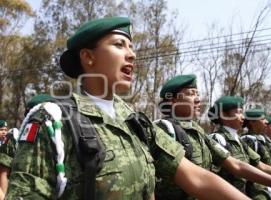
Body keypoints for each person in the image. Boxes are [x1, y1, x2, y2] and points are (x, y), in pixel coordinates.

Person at [5, 17, 251, 200]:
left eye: (132, 47)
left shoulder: (136, 123)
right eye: (120, 44)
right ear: (88, 57)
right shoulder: (54, 120)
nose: (132, 55)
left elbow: (194, 176)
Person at [155, 75, 271, 200]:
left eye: (197, 94)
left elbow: (236, 164)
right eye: (191, 94)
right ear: (173, 101)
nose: (198, 99)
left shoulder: (198, 131)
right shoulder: (164, 129)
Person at [208, 96, 271, 200]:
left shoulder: (240, 141)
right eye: (238, 112)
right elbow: (232, 168)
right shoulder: (217, 139)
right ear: (224, 115)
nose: (243, 117)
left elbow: (261, 166)